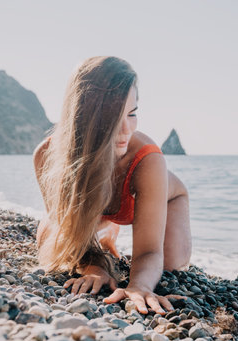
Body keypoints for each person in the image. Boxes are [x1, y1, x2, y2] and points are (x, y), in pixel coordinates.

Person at [33, 56, 192, 315]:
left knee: (170, 266)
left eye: (132, 113)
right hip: (97, 198)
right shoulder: (47, 156)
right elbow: (70, 234)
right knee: (48, 241)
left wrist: (138, 285)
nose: (125, 128)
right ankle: (106, 236)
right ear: (84, 115)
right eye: (113, 116)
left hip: (166, 199)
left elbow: (150, 251)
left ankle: (108, 234)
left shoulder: (147, 160)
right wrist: (94, 268)